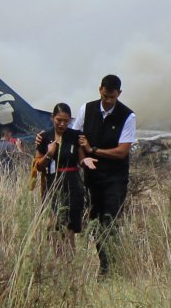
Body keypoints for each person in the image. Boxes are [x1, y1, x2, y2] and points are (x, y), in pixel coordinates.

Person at [73, 74, 136, 275]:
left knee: (109, 220)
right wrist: (83, 159)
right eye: (105, 95)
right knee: (94, 221)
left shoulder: (128, 116)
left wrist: (94, 151)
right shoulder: (87, 109)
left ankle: (109, 268)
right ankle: (102, 264)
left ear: (119, 94)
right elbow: (77, 137)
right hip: (92, 178)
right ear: (100, 89)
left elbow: (122, 151)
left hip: (115, 179)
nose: (108, 100)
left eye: (112, 97)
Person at [36, 103, 96, 250]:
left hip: (73, 183)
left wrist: (85, 160)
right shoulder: (44, 137)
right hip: (52, 183)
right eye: (58, 120)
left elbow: (81, 159)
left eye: (66, 120)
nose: (62, 124)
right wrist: (49, 154)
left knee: (69, 225)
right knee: (54, 223)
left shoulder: (75, 136)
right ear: (52, 118)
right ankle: (55, 257)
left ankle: (69, 260)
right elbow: (38, 165)